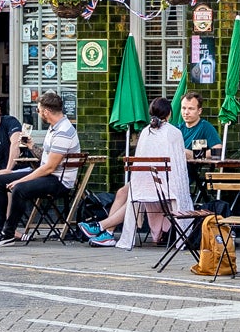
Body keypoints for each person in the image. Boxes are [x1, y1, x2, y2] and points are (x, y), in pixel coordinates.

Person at [81, 97, 193, 248]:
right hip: (165, 186)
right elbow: (179, 166)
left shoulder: (145, 131)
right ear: (169, 114)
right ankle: (105, 230)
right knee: (127, 194)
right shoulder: (174, 132)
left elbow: (140, 161)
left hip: (146, 182)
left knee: (134, 197)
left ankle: (103, 229)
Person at [0, 92, 79, 246]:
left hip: (58, 181)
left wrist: (19, 180)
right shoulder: (54, 127)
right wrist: (30, 145)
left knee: (19, 189)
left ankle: (8, 234)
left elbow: (50, 167)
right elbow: (45, 158)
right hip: (48, 175)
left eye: (39, 110)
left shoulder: (64, 132)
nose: (38, 113)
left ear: (46, 112)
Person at [179, 93, 221, 158]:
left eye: (191, 109)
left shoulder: (205, 127)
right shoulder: (177, 129)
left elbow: (219, 151)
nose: (186, 112)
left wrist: (194, 155)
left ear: (199, 111)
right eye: (183, 108)